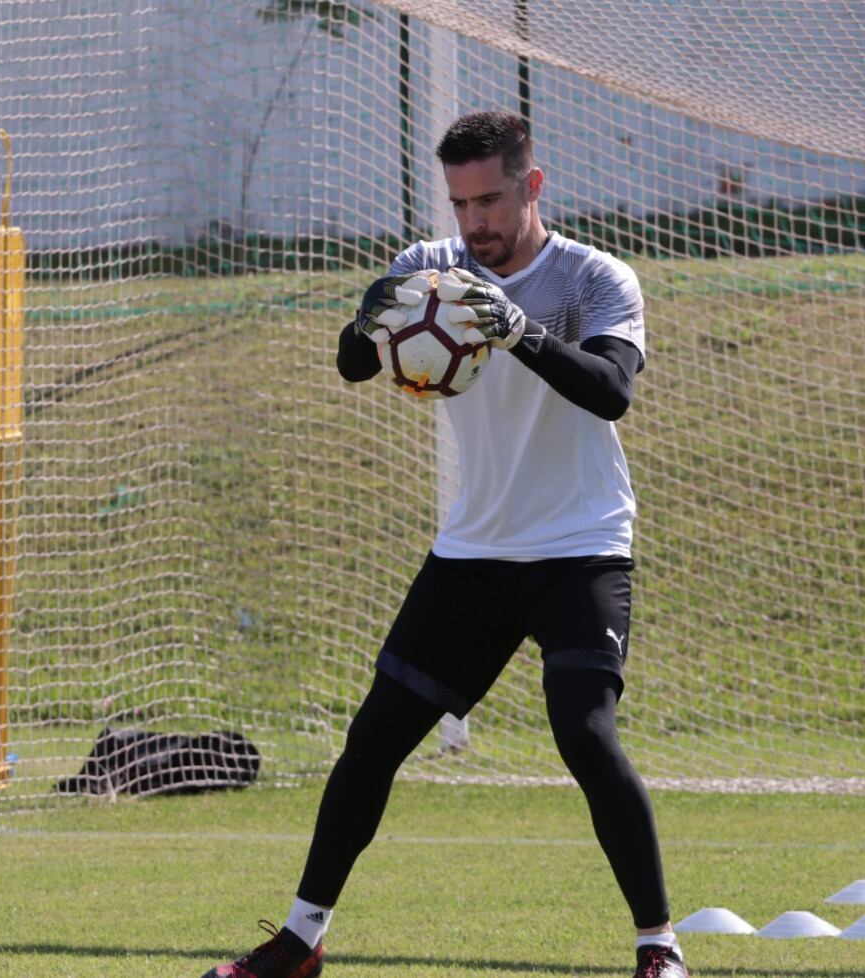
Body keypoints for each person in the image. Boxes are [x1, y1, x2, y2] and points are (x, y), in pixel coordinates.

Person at [202, 110, 688, 978]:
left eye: (490, 200)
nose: (474, 222)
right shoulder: (429, 268)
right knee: (374, 738)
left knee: (584, 733)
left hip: (580, 543)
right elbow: (354, 365)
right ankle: (300, 942)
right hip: (475, 552)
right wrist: (368, 318)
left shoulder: (592, 278)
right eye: (460, 204)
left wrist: (516, 328)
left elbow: (611, 391)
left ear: (531, 185)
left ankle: (659, 948)